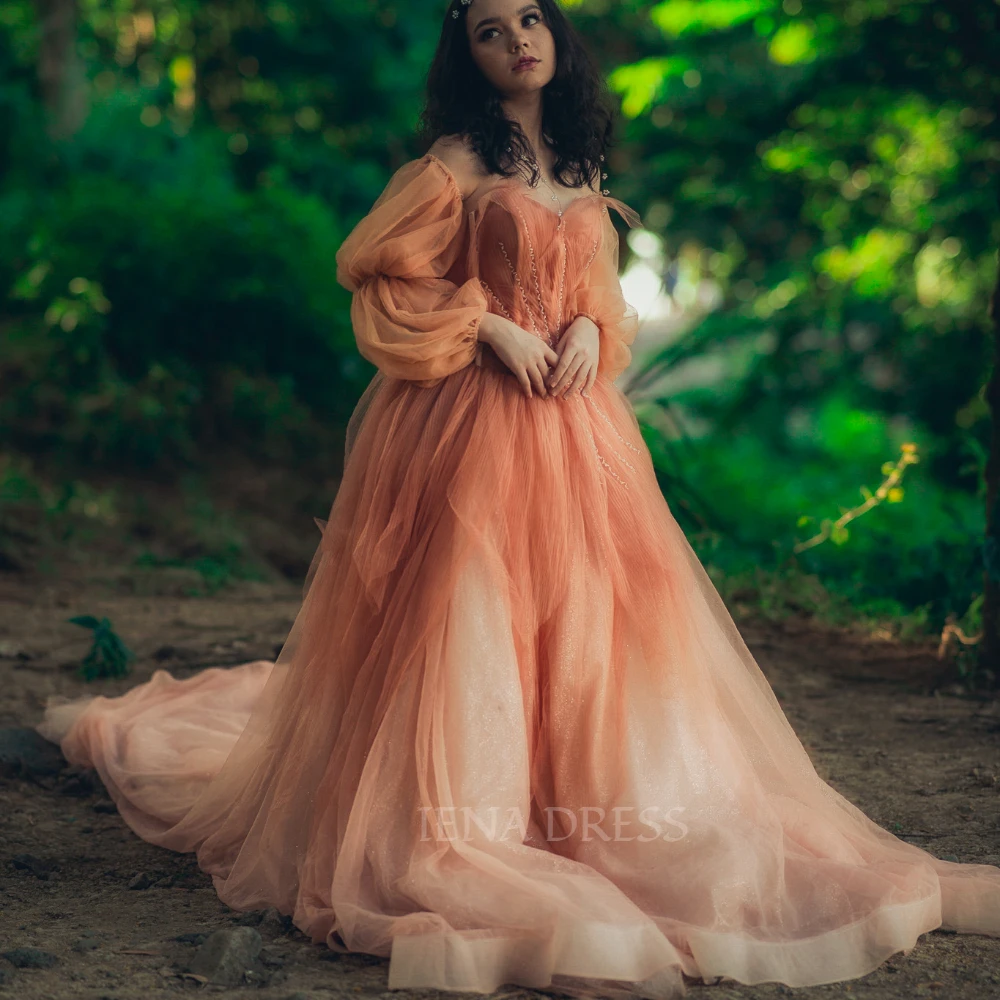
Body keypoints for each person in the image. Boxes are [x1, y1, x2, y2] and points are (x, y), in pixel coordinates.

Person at [35, 1, 1000, 998]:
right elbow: (368, 270)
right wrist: (486, 327)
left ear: (557, 36)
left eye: (530, 19)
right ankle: (474, 816)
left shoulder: (583, 168)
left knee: (593, 617)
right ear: (469, 53)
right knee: (470, 611)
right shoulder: (455, 160)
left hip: (575, 427)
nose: (517, 40)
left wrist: (588, 328)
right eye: (490, 30)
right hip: (469, 419)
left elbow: (600, 300)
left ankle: (589, 806)